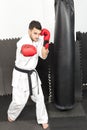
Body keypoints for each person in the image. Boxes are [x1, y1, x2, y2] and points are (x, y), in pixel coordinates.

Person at [7, 20, 50, 129]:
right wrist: (30, 50)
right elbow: (23, 51)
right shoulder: (22, 41)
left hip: (32, 74)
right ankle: (11, 114)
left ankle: (43, 119)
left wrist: (46, 42)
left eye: (39, 34)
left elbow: (44, 56)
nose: (37, 36)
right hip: (21, 75)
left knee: (40, 98)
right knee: (18, 102)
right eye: (35, 33)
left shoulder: (39, 39)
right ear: (29, 31)